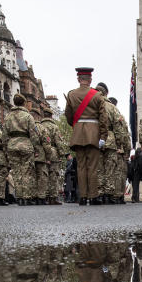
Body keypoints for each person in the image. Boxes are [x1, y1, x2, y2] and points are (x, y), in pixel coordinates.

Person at [64, 68, 110, 205]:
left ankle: (83, 197)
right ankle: (93, 196)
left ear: (79, 79)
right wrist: (103, 136)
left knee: (81, 167)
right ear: (90, 80)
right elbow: (103, 118)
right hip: (93, 134)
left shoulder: (71, 95)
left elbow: (68, 115)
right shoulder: (97, 95)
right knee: (93, 167)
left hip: (78, 134)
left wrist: (77, 125)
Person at [4, 93, 44, 206]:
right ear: (24, 103)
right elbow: (34, 134)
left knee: (16, 172)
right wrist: (36, 149)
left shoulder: (8, 116)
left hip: (12, 145)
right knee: (26, 171)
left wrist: (6, 147)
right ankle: (26, 197)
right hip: (25, 144)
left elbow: (4, 134)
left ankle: (19, 197)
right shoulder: (28, 116)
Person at [37, 109, 70, 205]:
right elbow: (58, 142)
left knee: (43, 175)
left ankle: (44, 196)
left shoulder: (39, 126)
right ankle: (53, 197)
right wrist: (62, 154)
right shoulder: (54, 127)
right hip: (53, 152)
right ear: (51, 116)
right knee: (53, 175)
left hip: (41, 153)